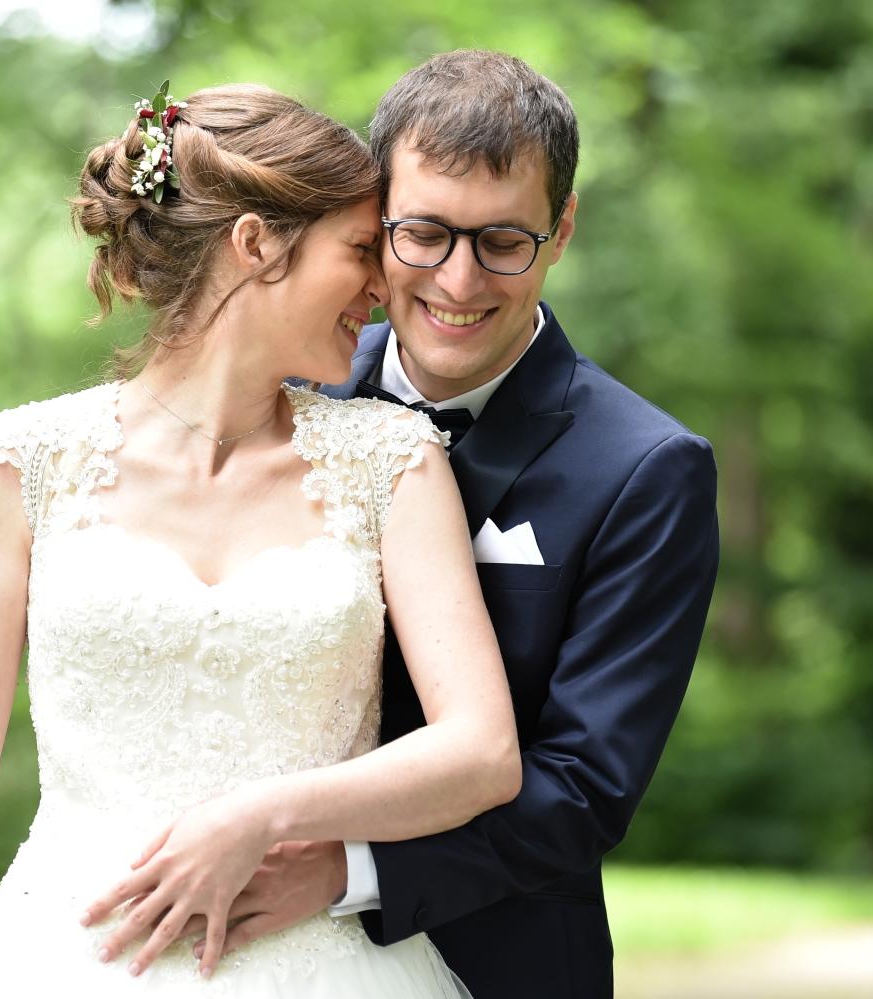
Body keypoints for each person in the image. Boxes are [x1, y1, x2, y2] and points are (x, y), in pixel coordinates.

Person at [0, 82, 524, 998]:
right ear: (256, 243)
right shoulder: (18, 463)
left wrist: (260, 815)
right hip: (61, 959)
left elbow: (481, 752)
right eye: (358, 250)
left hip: (322, 963)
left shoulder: (392, 462)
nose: (386, 286)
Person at [173, 51, 719, 999]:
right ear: (374, 220)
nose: (459, 282)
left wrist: (348, 871)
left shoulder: (647, 469)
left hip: (494, 959)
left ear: (562, 230)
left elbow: (583, 784)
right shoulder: (288, 388)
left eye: (503, 241)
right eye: (424, 233)